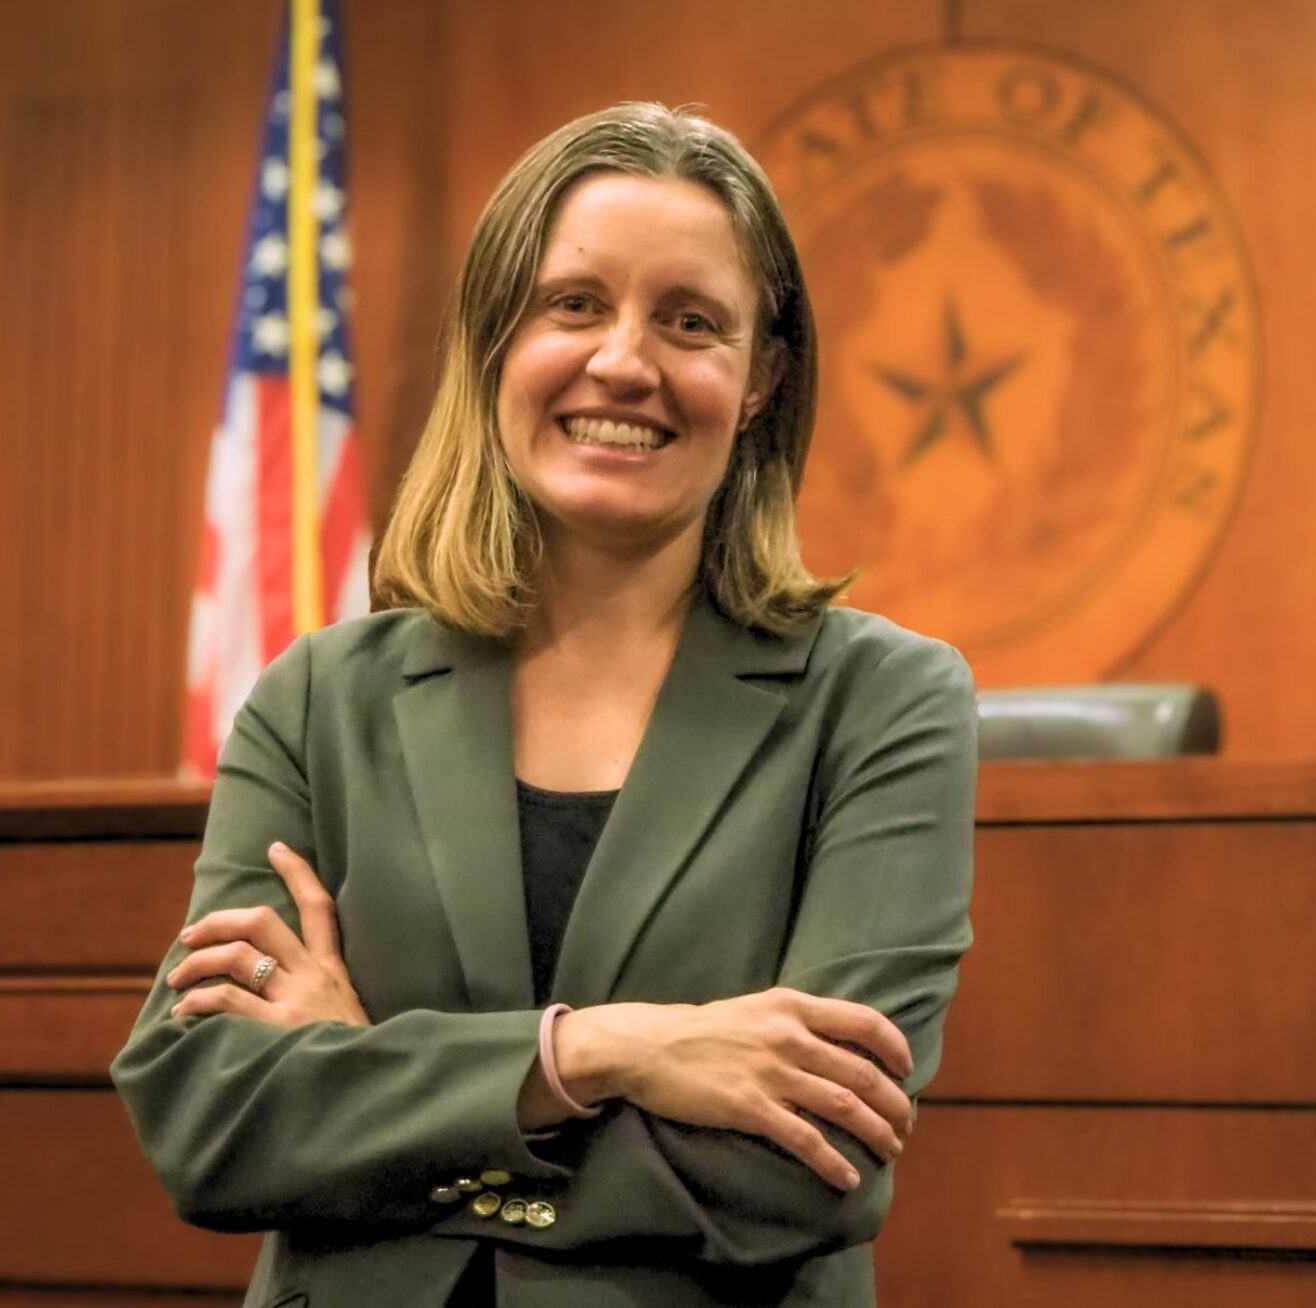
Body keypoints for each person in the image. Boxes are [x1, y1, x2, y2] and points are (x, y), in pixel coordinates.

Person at [111, 101, 976, 1307]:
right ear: (494, 339)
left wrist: (368, 1081)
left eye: (692, 321)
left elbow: (803, 1176)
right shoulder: (319, 699)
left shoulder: (881, 704)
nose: (625, 361)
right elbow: (209, 1119)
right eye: (574, 304)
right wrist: (609, 1050)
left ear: (766, 376)